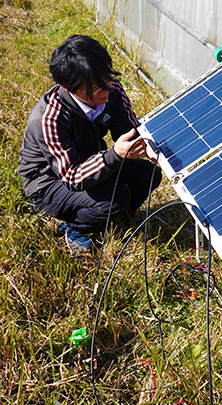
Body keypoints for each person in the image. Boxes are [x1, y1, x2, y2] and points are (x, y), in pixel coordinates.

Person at [18, 35, 162, 252]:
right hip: (49, 181)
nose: (106, 90)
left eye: (107, 79)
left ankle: (119, 221)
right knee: (115, 198)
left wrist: (143, 145)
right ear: (68, 87)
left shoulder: (112, 91)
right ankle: (75, 228)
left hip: (88, 160)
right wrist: (115, 156)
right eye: (95, 88)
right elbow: (72, 177)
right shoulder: (49, 118)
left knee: (149, 174)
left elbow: (129, 130)